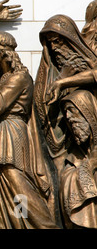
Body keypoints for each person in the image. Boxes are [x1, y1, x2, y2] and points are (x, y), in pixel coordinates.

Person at [0, 31, 58, 229]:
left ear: (2, 53)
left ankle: (43, 225)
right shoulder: (3, 78)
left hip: (11, 132)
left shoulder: (19, 78)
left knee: (16, 182)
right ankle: (13, 224)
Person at [34, 14, 97, 175]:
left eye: (57, 41)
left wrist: (63, 82)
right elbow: (42, 103)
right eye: (50, 42)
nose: (54, 47)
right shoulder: (51, 70)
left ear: (69, 39)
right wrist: (61, 78)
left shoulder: (91, 59)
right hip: (68, 143)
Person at [60, 90, 97, 229]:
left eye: (71, 110)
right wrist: (89, 165)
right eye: (65, 113)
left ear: (87, 112)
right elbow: (67, 182)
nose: (68, 117)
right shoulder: (73, 158)